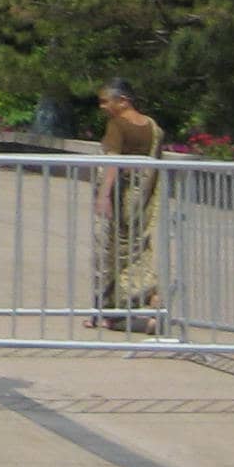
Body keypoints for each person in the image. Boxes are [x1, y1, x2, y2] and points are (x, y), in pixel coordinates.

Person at [90, 79, 164, 330]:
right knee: (138, 250)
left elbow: (112, 162)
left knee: (112, 254)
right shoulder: (153, 127)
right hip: (144, 201)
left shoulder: (118, 125)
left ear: (123, 101)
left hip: (122, 199)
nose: (102, 106)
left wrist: (104, 195)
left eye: (105, 101)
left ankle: (111, 310)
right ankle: (152, 301)